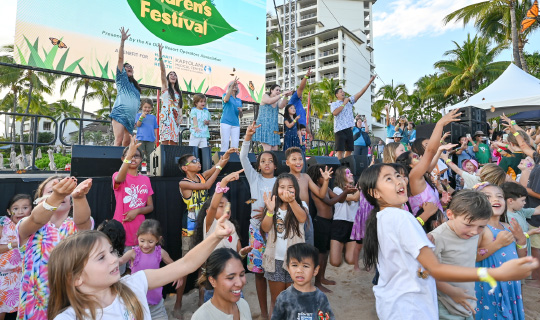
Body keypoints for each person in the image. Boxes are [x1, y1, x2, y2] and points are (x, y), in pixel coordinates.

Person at [359, 163, 538, 320]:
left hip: (395, 305)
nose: (399, 181)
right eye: (388, 179)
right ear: (374, 192)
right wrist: (496, 274)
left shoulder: (383, 217)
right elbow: (435, 268)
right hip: (410, 306)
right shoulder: (401, 218)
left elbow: (417, 267)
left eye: (398, 175)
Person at [47, 213, 235, 319]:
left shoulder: (134, 284)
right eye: (101, 257)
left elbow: (186, 264)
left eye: (112, 251)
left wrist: (215, 236)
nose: (114, 259)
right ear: (75, 277)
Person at [16, 176, 93, 320]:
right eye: (52, 190)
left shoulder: (74, 224)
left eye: (67, 191)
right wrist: (56, 196)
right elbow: (35, 219)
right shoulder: (27, 224)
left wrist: (79, 197)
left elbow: (83, 222)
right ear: (39, 200)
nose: (62, 193)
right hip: (34, 309)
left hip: (71, 306)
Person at [174, 149, 233, 316]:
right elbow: (207, 186)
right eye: (193, 161)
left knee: (204, 266)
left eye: (198, 160)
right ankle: (177, 304)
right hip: (190, 229)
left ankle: (201, 301)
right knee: (185, 267)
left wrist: (224, 159)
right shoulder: (183, 183)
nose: (198, 162)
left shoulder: (201, 175)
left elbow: (216, 168)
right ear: (185, 168)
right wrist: (219, 170)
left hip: (205, 227)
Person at [428, 190, 492, 320]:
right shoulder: (437, 237)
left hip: (465, 302)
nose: (474, 231)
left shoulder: (472, 233)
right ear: (450, 214)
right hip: (445, 305)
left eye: (481, 226)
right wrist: (452, 292)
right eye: (468, 225)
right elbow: (429, 272)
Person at [195, 170, 253, 302]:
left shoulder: (233, 228)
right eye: (221, 206)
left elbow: (238, 256)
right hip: (216, 278)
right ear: (209, 211)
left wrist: (243, 253)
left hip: (233, 281)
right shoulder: (210, 224)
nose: (226, 209)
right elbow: (214, 205)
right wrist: (224, 181)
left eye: (227, 206)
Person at [240, 122, 277, 319]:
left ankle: (274, 311)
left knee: (275, 273)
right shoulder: (254, 178)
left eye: (270, 160)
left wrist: (268, 212)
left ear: (275, 164)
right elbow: (242, 157)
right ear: (259, 165)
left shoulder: (281, 181)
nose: (267, 164)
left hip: (276, 232)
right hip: (256, 231)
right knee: (259, 274)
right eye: (263, 161)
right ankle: (264, 313)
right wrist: (248, 137)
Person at [475, 183, 528, 320]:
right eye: (488, 197)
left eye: (499, 196)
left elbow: (520, 259)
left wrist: (521, 240)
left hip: (510, 285)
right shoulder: (480, 228)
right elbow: (473, 256)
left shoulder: (507, 226)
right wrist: (497, 244)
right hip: (490, 286)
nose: (495, 199)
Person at [261, 173, 308, 317]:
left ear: (296, 190)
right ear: (276, 189)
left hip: (296, 261)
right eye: (282, 187)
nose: (286, 190)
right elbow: (265, 228)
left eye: (290, 187)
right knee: (277, 300)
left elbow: (302, 218)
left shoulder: (301, 205)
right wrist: (269, 211)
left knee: (295, 301)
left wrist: (293, 201)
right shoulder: (272, 206)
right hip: (275, 261)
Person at [307, 165, 354, 292]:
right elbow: (330, 202)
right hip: (320, 223)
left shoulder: (326, 188)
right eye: (324, 176)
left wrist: (345, 191)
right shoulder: (316, 189)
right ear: (317, 179)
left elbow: (339, 200)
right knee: (320, 255)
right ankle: (317, 283)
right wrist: (345, 192)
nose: (328, 178)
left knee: (325, 253)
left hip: (328, 222)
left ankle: (322, 278)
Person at [119, 220, 175, 320]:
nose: (145, 245)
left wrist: (178, 275)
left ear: (158, 239)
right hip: (136, 304)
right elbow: (120, 261)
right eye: (142, 241)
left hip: (156, 305)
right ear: (137, 237)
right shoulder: (133, 253)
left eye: (150, 242)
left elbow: (173, 265)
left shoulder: (160, 253)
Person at [112, 136, 154, 265]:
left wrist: (137, 211)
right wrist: (128, 155)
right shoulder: (117, 175)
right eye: (130, 156)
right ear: (123, 158)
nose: (133, 158)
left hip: (140, 232)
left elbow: (150, 207)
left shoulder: (146, 179)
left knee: (137, 270)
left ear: (141, 159)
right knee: (120, 272)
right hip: (121, 230)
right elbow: (119, 179)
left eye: (136, 156)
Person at [271, 243, 335, 320]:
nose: (299, 270)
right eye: (294, 265)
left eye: (305, 266)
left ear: (315, 270)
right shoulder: (283, 298)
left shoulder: (320, 298)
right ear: (288, 268)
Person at [284, 147, 333, 246]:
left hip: (307, 217)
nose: (298, 162)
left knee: (308, 246)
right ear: (287, 162)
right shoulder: (285, 178)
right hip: (291, 218)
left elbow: (321, 194)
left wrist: (326, 180)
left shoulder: (306, 177)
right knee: (294, 247)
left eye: (300, 159)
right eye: (294, 159)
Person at [193, 248, 251, 320]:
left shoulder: (243, 305)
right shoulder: (201, 317)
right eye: (231, 277)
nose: (239, 283)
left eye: (242, 275)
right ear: (212, 281)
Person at [0, 194, 32, 319]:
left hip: (23, 278)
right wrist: (13, 244)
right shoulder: (3, 225)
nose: (20, 212)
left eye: (25, 208)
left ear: (31, 210)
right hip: (3, 278)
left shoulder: (35, 226)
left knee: (23, 312)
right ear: (9, 211)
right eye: (15, 208)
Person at [331, 75, 376, 160]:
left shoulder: (349, 101)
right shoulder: (334, 104)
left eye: (343, 91)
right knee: (339, 151)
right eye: (340, 92)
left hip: (349, 129)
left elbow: (360, 92)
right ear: (337, 95)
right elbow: (335, 113)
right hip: (339, 130)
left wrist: (370, 82)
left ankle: (345, 166)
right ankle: (339, 168)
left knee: (349, 150)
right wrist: (344, 103)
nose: (343, 92)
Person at [110, 27, 141, 146]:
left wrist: (134, 118)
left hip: (131, 117)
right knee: (118, 140)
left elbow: (137, 104)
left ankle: (124, 164)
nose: (129, 67)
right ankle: (113, 164)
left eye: (131, 67)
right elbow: (120, 58)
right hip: (120, 113)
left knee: (127, 143)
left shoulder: (135, 86)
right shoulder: (121, 79)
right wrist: (122, 42)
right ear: (122, 70)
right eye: (126, 66)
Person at [330, 166, 360, 267]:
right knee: (335, 262)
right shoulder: (337, 189)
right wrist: (362, 185)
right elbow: (353, 198)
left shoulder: (356, 189)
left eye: (351, 172)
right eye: (348, 173)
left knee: (351, 260)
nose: (351, 174)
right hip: (339, 224)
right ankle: (341, 248)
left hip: (353, 225)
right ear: (341, 176)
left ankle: (345, 248)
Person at [501, 182, 540, 258]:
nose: (525, 203)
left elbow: (537, 210)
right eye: (522, 200)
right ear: (510, 201)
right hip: (516, 255)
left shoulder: (519, 211)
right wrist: (531, 232)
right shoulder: (508, 218)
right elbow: (514, 238)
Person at [253, 85, 293, 151]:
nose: (278, 92)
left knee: (275, 149)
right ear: (271, 90)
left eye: (279, 91)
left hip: (273, 127)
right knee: (268, 149)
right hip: (264, 125)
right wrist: (282, 94)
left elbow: (281, 106)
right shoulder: (265, 96)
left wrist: (286, 96)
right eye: (277, 90)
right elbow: (269, 101)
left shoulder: (278, 99)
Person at [158, 44, 183, 145]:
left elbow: (179, 106)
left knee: (174, 143)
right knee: (164, 142)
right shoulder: (165, 87)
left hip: (175, 117)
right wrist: (160, 56)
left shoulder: (179, 92)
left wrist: (180, 117)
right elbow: (163, 71)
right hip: (165, 117)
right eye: (171, 74)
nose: (173, 76)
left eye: (175, 75)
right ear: (168, 78)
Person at [221, 77, 243, 152]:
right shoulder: (225, 95)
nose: (235, 86)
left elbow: (241, 116)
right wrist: (231, 86)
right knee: (225, 143)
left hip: (236, 124)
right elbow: (226, 100)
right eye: (233, 85)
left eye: (236, 85)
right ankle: (222, 162)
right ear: (229, 87)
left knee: (235, 145)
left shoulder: (239, 100)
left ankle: (234, 161)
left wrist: (241, 111)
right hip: (225, 122)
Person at [135, 99, 158, 163]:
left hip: (151, 139)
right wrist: (141, 117)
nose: (147, 109)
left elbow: (155, 128)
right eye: (145, 107)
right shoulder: (138, 115)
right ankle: (138, 170)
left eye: (149, 107)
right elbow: (138, 125)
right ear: (142, 107)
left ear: (151, 108)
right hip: (140, 139)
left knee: (150, 156)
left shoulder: (153, 117)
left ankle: (149, 171)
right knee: (139, 155)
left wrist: (156, 138)